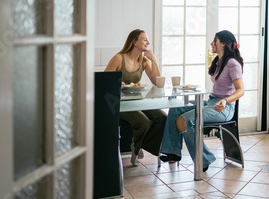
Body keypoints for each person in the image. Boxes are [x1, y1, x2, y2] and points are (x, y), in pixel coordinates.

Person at [159, 30, 244, 172]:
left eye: (215, 40)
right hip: (211, 102)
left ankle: (205, 159)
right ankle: (173, 151)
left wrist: (225, 100)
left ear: (223, 43)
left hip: (224, 108)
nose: (212, 43)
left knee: (185, 120)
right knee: (175, 108)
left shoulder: (232, 64)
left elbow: (241, 90)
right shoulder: (219, 61)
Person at [104, 29, 167, 166]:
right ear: (134, 41)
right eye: (144, 39)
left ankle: (138, 145)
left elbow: (157, 82)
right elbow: (104, 82)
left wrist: (154, 61)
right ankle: (137, 148)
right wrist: (116, 83)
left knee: (162, 117)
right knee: (143, 122)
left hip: (138, 102)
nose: (148, 42)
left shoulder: (144, 61)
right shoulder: (118, 58)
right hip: (118, 103)